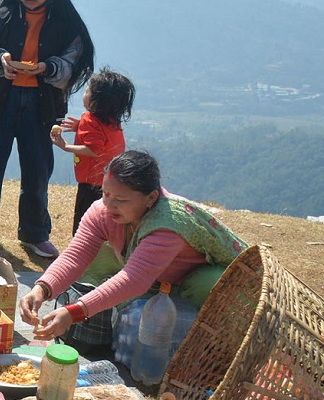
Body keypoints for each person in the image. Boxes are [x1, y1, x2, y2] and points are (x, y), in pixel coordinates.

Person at [18, 150, 247, 351]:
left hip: (200, 280)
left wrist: (74, 312)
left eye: (120, 199)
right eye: (106, 194)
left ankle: (215, 346)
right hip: (159, 279)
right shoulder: (102, 212)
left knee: (210, 284)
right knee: (97, 257)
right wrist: (41, 289)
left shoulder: (169, 223)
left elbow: (133, 279)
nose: (109, 204)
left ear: (151, 198)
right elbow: (75, 256)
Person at [0, 0, 95, 258]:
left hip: (41, 109)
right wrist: (0, 61)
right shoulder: (1, 17)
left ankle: (35, 233)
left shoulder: (65, 24)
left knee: (37, 173)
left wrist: (48, 69)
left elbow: (74, 62)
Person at [51, 67, 135, 233]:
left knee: (84, 221)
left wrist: (66, 146)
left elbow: (94, 149)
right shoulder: (112, 120)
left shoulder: (90, 119)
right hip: (110, 179)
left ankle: (80, 248)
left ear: (98, 100)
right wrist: (79, 127)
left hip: (90, 182)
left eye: (87, 90)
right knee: (105, 219)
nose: (84, 93)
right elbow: (102, 139)